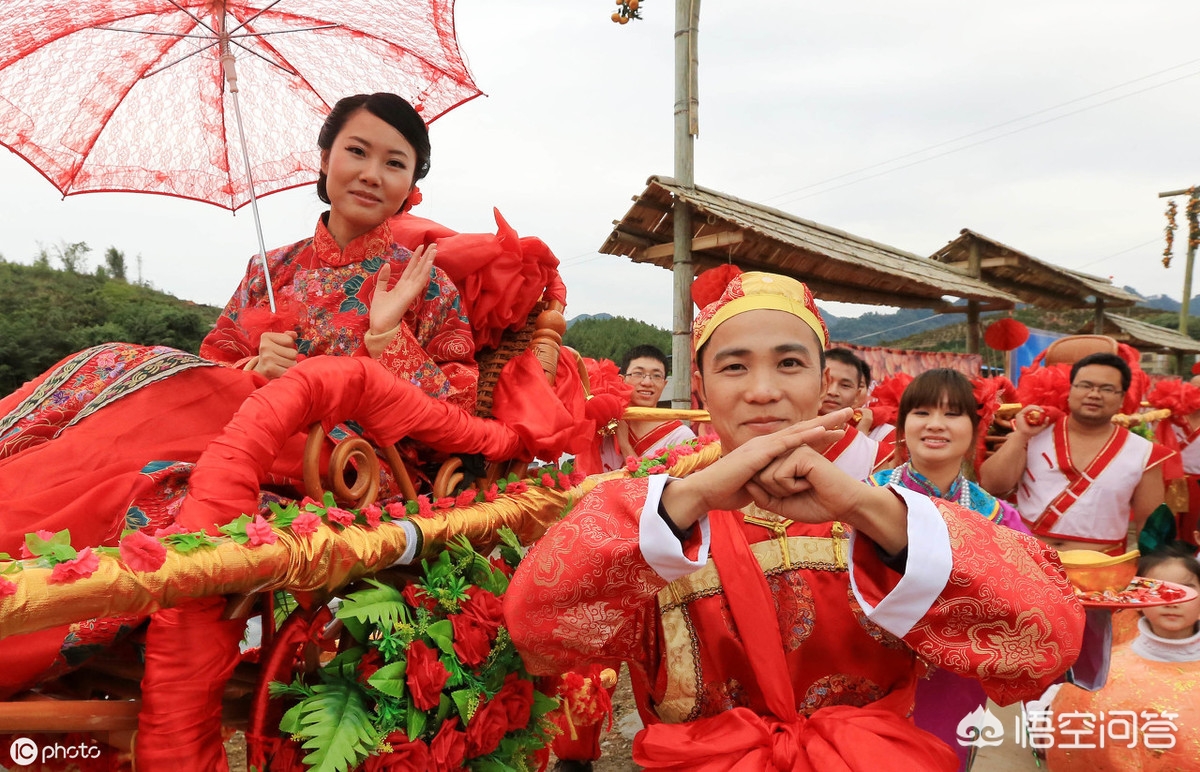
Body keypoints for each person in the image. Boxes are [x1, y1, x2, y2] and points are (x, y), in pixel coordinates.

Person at [505, 270, 1085, 770]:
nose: (763, 391)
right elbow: (539, 633)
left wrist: (864, 507)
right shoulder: (653, 522)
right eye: (734, 367)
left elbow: (1050, 641)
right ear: (701, 387)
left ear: (822, 382)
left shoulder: (893, 517)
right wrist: (691, 498)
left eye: (789, 363)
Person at [200, 92, 478, 412]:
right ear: (325, 159)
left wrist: (388, 339)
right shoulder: (268, 270)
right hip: (251, 443)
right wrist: (255, 371)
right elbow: (208, 374)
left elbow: (459, 414)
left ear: (411, 184)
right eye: (357, 151)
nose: (372, 175)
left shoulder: (428, 285)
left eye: (395, 163)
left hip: (355, 458)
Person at [869, 369, 1031, 771]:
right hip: (868, 666)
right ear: (902, 425)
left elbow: (1033, 597)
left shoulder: (998, 517)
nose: (936, 424)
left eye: (953, 413)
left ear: (975, 428)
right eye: (922, 411)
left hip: (955, 676)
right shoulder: (862, 498)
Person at [979, 352, 1172, 554]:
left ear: (1122, 397)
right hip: (1029, 563)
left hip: (1101, 571)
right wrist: (1021, 436)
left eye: (1107, 389)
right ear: (1070, 390)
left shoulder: (1144, 452)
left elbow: (1150, 528)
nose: (1094, 394)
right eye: (1085, 385)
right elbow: (991, 486)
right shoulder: (1033, 433)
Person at [1046, 546, 1200, 771]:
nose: (1172, 601)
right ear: (1137, 596)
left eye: (1185, 590)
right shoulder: (1104, 674)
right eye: (1158, 589)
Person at [599, 344, 697, 472]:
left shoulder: (681, 437)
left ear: (664, 383)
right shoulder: (603, 426)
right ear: (621, 379)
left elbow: (660, 490)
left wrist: (624, 444)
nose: (647, 383)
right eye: (638, 374)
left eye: (656, 375)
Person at [818, 347, 890, 479]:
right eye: (826, 381)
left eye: (845, 385)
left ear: (857, 395)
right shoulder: (778, 426)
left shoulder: (875, 454)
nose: (833, 391)